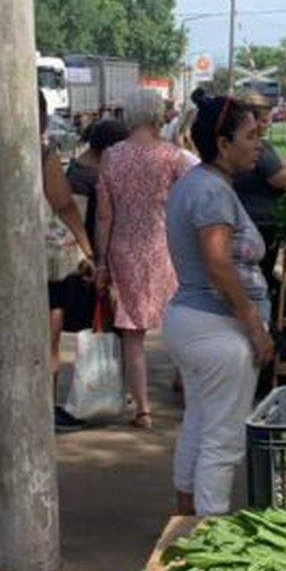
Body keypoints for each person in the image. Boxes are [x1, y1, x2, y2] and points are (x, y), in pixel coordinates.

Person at [163, 96, 275, 515]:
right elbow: (216, 262)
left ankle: (186, 519)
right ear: (223, 144)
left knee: (199, 423)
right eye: (251, 136)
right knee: (223, 439)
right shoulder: (211, 191)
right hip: (217, 329)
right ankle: (211, 533)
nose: (258, 145)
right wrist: (255, 326)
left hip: (194, 324)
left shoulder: (197, 183)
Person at [96, 87, 194, 428]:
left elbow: (104, 215)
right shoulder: (172, 157)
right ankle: (185, 384)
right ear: (157, 115)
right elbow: (186, 205)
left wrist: (101, 258)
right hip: (164, 247)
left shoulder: (111, 156)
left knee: (132, 332)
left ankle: (143, 410)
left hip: (124, 248)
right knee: (176, 323)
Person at [41, 92, 98, 430]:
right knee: (49, 336)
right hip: (43, 261)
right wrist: (87, 250)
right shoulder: (43, 153)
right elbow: (64, 204)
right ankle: (45, 408)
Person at [233, 90, 286, 315]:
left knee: (247, 276)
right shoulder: (260, 147)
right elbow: (278, 179)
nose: (268, 124)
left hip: (243, 219)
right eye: (265, 119)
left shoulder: (237, 144)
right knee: (260, 276)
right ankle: (260, 323)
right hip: (261, 222)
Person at [66, 116, 129, 248]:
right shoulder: (82, 176)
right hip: (92, 248)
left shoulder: (80, 169)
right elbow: (75, 223)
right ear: (110, 148)